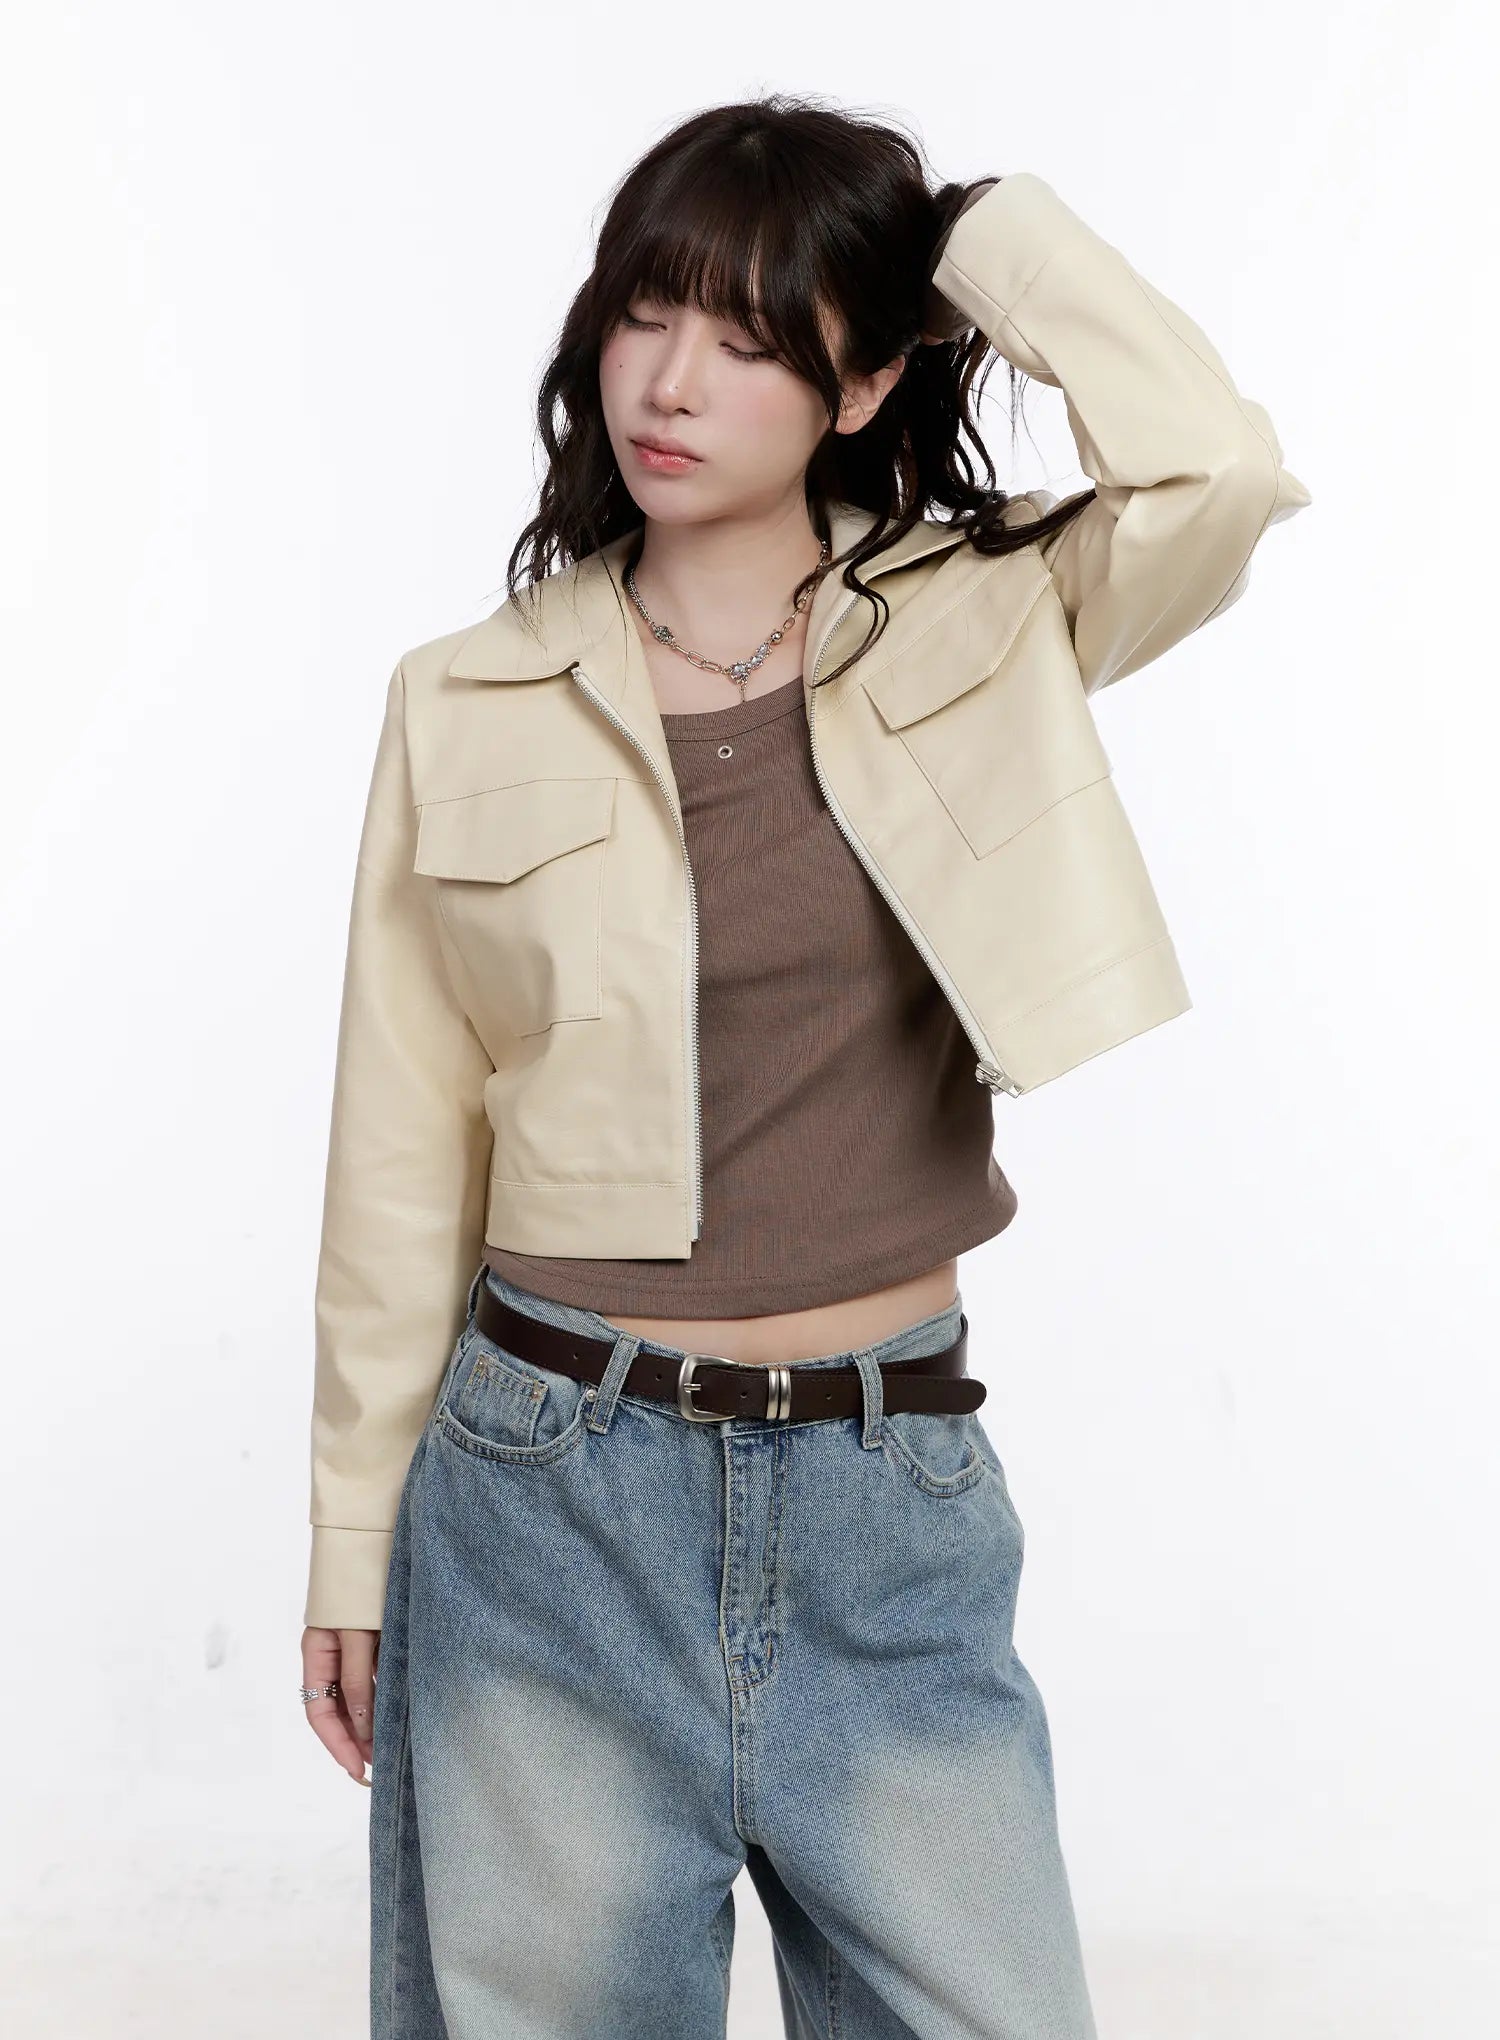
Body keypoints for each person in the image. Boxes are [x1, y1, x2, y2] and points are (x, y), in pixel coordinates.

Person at [298, 93, 1309, 2040]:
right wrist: (352, 1543)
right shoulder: (466, 701)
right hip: (549, 1494)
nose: (671, 383)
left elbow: (1222, 471)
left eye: (751, 339)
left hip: (884, 1485)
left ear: (861, 383)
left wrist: (975, 239)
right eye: (646, 313)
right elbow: (399, 1155)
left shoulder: (987, 620)